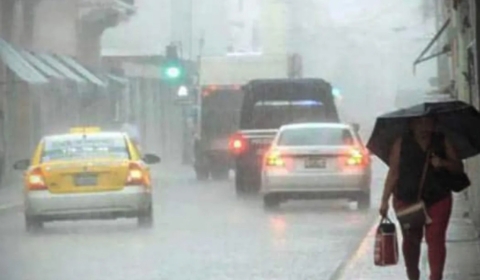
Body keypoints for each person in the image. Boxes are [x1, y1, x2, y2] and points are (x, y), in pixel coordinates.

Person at [379, 116, 463, 280]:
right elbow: (393, 173)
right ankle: (413, 275)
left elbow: (458, 167)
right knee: (411, 241)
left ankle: (436, 277)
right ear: (411, 125)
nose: (425, 126)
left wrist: (443, 163)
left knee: (436, 239)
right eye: (420, 122)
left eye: (429, 122)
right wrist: (384, 201)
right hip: (408, 200)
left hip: (438, 198)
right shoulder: (401, 143)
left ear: (434, 124)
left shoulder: (441, 141)